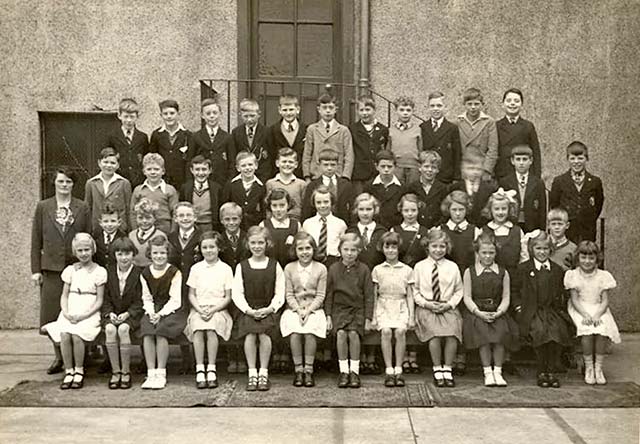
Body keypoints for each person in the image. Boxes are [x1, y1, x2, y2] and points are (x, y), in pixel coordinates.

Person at [31, 166, 90, 374]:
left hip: (76, 267)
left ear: (73, 185)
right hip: (51, 269)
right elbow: (36, 239)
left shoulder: (82, 207)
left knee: (78, 310)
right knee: (52, 314)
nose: (64, 185)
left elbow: (87, 236)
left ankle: (82, 356)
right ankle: (59, 356)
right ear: (54, 183)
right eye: (61, 182)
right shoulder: (43, 207)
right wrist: (36, 269)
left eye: (68, 182)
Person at [42, 233, 106, 389]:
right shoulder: (70, 270)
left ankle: (79, 371)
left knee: (77, 335)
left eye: (87, 249)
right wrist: (65, 312)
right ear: (75, 252)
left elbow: (99, 301)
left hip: (89, 312)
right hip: (71, 309)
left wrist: (84, 315)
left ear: (93, 250)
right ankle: (68, 371)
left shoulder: (99, 271)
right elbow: (64, 296)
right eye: (80, 250)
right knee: (65, 334)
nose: (84, 253)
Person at [513, 231, 571, 388]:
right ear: (532, 249)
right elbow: (514, 290)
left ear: (550, 250)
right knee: (539, 331)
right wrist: (518, 306)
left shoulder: (557, 270)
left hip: (551, 310)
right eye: (538, 248)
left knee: (557, 330)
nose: (542, 252)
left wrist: (561, 310)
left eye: (545, 249)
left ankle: (550, 370)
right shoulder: (524, 268)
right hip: (531, 310)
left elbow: (561, 293)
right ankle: (541, 371)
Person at [232, 226, 286, 392]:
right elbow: (237, 293)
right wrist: (248, 310)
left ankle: (263, 371)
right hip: (248, 309)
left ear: (267, 243)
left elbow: (280, 292)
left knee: (263, 333)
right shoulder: (242, 266)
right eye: (253, 243)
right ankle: (252, 372)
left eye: (260, 243)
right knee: (250, 333)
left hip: (267, 308)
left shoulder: (274, 265)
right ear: (248, 244)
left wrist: (270, 309)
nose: (257, 246)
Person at [463, 233, 519, 387]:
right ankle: (487, 372)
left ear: (496, 253)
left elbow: (506, 297)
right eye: (484, 253)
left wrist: (500, 311)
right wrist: (478, 312)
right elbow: (467, 296)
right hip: (477, 312)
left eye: (491, 253)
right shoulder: (470, 272)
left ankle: (498, 372)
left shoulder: (503, 272)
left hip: (497, 311)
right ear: (477, 253)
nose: (487, 256)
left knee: (500, 335)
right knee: (484, 337)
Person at [565, 241, 621, 385]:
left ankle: (598, 368)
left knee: (602, 328)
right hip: (580, 308)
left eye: (591, 258)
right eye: (583, 257)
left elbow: (605, 301)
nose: (587, 261)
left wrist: (597, 315)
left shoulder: (603, 276)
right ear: (578, 258)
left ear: (597, 259)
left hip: (598, 307)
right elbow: (574, 299)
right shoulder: (573, 275)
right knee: (587, 329)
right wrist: (585, 314)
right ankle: (589, 366)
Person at [413, 228, 464, 388]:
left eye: (442, 247)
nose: (438, 250)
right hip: (427, 307)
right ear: (427, 247)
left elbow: (459, 290)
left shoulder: (452, 267)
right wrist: (427, 304)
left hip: (447, 306)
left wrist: (449, 304)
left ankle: (447, 368)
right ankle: (437, 368)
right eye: (434, 246)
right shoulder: (420, 267)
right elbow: (415, 291)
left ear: (447, 248)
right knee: (434, 334)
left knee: (452, 333)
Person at [325, 233, 375, 388]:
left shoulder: (364, 269)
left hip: (357, 309)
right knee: (340, 333)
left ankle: (354, 371)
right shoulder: (333, 269)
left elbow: (369, 295)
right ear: (340, 250)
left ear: (359, 251)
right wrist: (328, 316)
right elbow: (329, 294)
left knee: (353, 334)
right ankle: (343, 371)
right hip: (339, 309)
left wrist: (368, 318)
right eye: (346, 249)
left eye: (353, 250)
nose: (349, 253)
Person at [280, 232, 328, 387]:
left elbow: (320, 295)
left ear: (314, 249)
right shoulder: (289, 268)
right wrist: (298, 309)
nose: (304, 252)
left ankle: (308, 370)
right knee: (294, 332)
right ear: (295, 250)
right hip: (294, 308)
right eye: (300, 249)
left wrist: (308, 311)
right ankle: (298, 370)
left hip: (314, 309)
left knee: (309, 332)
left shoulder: (321, 269)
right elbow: (289, 294)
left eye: (308, 248)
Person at [187, 231, 233, 389]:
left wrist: (213, 309)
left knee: (211, 329)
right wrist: (199, 309)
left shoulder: (226, 269)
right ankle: (200, 369)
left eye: (212, 247)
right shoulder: (196, 268)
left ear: (219, 248)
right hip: (199, 308)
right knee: (199, 329)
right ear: (200, 249)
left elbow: (228, 297)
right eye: (204, 247)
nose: (208, 250)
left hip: (218, 309)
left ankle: (211, 368)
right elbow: (191, 294)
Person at [139, 235, 187, 390]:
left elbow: (175, 300)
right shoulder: (145, 272)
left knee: (160, 331)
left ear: (168, 254)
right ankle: (151, 372)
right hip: (154, 308)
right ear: (150, 254)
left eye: (162, 253)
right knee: (147, 330)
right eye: (155, 253)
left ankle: (161, 372)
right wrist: (151, 312)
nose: (159, 256)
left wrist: (161, 314)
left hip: (172, 310)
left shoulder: (174, 272)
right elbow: (146, 298)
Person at [371, 231, 414, 387]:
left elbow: (409, 295)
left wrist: (411, 317)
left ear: (398, 249)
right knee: (387, 331)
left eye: (394, 247)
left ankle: (399, 369)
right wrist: (374, 316)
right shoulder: (377, 269)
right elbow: (375, 294)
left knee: (400, 332)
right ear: (382, 249)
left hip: (401, 305)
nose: (390, 250)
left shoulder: (407, 270)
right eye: (387, 247)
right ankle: (389, 370)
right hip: (383, 305)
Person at [102, 236, 143, 390]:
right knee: (111, 329)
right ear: (114, 255)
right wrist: (109, 313)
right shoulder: (108, 272)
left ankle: (126, 372)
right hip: (112, 314)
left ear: (133, 254)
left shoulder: (139, 273)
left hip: (131, 315)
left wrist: (128, 314)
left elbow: (140, 300)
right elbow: (105, 298)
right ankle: (115, 371)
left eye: (127, 254)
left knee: (124, 329)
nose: (124, 258)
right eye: (120, 254)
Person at [217, 202, 250, 374]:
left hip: (244, 284)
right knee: (228, 316)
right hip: (223, 285)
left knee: (241, 317)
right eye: (227, 219)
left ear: (241, 219)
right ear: (221, 220)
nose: (231, 223)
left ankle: (242, 357)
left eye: (235, 219)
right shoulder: (218, 240)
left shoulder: (247, 238)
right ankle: (231, 356)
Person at [549, 141, 604, 243]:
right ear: (567, 159)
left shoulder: (595, 181)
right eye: (572, 158)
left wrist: (588, 218)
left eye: (580, 158)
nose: (576, 162)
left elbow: (598, 206)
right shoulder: (559, 181)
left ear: (586, 159)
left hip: (587, 230)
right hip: (567, 230)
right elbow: (554, 204)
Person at [302, 93, 354, 181]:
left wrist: (345, 176)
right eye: (324, 108)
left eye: (331, 108)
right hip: (317, 175)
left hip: (337, 175)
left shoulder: (343, 130)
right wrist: (307, 176)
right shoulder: (312, 129)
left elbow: (349, 155)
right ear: (319, 109)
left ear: (336, 109)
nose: (328, 111)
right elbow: (307, 154)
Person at [495, 88, 541, 181]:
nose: (512, 103)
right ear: (503, 104)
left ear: (521, 105)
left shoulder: (528, 126)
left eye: (516, 101)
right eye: (508, 100)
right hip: (502, 174)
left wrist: (536, 177)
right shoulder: (496, 126)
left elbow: (536, 153)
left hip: (523, 174)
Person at [499, 145, 546, 232]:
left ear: (531, 161)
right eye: (518, 159)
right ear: (512, 161)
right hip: (511, 224)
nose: (521, 163)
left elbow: (542, 210)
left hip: (532, 225)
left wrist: (541, 230)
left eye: (524, 159)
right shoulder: (505, 182)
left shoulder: (538, 182)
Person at [84, 147, 132, 232]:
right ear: (99, 163)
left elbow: (128, 209)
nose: (109, 165)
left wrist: (128, 230)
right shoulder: (91, 183)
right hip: (97, 229)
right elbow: (88, 208)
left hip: (119, 229)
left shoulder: (124, 183)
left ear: (117, 165)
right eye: (105, 162)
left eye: (113, 163)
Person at [104, 98, 149, 187]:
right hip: (118, 179)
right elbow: (107, 157)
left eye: (132, 117)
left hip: (138, 181)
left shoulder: (142, 137)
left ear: (137, 117)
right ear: (119, 116)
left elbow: (146, 158)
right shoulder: (112, 136)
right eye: (126, 116)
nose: (129, 120)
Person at [130, 153, 179, 234]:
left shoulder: (169, 190)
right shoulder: (138, 190)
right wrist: (135, 231)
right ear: (144, 171)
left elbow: (175, 213)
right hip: (143, 227)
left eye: (156, 169)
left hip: (164, 228)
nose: (153, 172)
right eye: (149, 169)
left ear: (163, 171)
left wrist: (173, 232)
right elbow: (133, 213)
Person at [148, 99, 193, 189]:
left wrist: (188, 182)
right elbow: (153, 158)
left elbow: (190, 160)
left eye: (172, 113)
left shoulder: (188, 135)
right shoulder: (156, 134)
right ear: (161, 115)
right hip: (162, 181)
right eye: (165, 114)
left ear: (178, 114)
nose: (169, 116)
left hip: (182, 181)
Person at [456, 88, 498, 182]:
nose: (473, 107)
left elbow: (493, 149)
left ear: (482, 104)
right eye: (469, 104)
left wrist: (487, 170)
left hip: (482, 169)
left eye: (476, 104)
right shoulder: (458, 122)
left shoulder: (489, 122)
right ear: (464, 105)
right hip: (464, 169)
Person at [349, 95, 389, 194]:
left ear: (374, 110)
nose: (365, 113)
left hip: (376, 173)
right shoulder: (352, 129)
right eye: (361, 110)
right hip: (359, 174)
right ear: (357, 111)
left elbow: (385, 149)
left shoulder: (383, 129)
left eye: (368, 109)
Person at [301, 185, 348, 270]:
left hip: (334, 263)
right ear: (314, 204)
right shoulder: (307, 224)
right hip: (313, 263)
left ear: (332, 202)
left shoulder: (340, 224)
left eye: (326, 202)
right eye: (318, 202)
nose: (322, 205)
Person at [419, 91, 462, 184]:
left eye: (439, 106)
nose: (436, 109)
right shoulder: (423, 127)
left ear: (445, 107)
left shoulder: (452, 128)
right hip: (427, 175)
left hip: (445, 176)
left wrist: (456, 177)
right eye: (432, 106)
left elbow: (457, 154)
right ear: (428, 108)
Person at [302, 149, 354, 222]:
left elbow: (352, 209)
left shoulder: (346, 185)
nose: (329, 168)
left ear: (337, 165)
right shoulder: (312, 186)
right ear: (319, 165)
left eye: (333, 165)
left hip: (343, 224)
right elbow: (307, 210)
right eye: (325, 165)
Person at [192, 98, 235, 186]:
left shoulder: (227, 137)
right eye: (208, 113)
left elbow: (232, 162)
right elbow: (190, 160)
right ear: (202, 115)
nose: (212, 116)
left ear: (220, 114)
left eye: (215, 113)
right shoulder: (196, 136)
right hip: (201, 181)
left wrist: (229, 182)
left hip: (221, 182)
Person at [404, 150, 449, 229]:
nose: (430, 170)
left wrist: (437, 226)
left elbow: (445, 212)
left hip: (436, 229)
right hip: (416, 228)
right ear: (420, 167)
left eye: (434, 167)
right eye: (426, 166)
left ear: (438, 170)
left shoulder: (443, 188)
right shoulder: (411, 188)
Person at [231, 98, 272, 182]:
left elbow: (271, 155)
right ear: (240, 115)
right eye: (246, 116)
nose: (249, 119)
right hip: (243, 175)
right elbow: (234, 156)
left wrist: (266, 176)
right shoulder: (236, 132)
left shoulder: (267, 132)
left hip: (262, 175)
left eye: (252, 116)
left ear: (259, 114)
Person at [266, 95, 308, 179]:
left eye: (291, 109)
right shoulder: (273, 130)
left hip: (300, 175)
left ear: (298, 110)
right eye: (285, 110)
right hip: (280, 175)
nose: (288, 113)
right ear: (279, 110)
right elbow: (271, 155)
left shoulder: (306, 129)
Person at [222, 151, 266, 229]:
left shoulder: (261, 186)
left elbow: (263, 210)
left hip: (253, 225)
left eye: (250, 164)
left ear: (256, 166)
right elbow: (225, 205)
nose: (247, 168)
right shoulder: (231, 185)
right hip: (235, 225)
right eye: (243, 166)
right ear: (238, 168)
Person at [179, 155, 222, 233]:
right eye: (197, 170)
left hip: (210, 225)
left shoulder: (217, 188)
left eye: (204, 169)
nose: (201, 173)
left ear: (210, 170)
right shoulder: (186, 188)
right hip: (191, 225)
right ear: (192, 170)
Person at [364, 149, 404, 228]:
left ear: (395, 167)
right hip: (375, 227)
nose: (386, 170)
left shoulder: (402, 187)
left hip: (395, 227)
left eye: (389, 166)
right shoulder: (369, 186)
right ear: (376, 166)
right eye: (383, 166)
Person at [260, 188, 300, 268]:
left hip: (290, 268)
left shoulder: (296, 225)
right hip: (270, 268)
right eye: (274, 206)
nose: (278, 209)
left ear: (288, 205)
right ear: (270, 206)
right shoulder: (264, 225)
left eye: (282, 205)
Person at [387, 96, 422, 185]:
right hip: (397, 167)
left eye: (408, 110)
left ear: (413, 111)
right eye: (402, 110)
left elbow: (421, 149)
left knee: (412, 192)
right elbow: (388, 150)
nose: (405, 113)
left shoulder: (418, 130)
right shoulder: (391, 130)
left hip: (414, 168)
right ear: (396, 111)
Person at [265, 147, 307, 222]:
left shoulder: (301, 184)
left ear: (296, 164)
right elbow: (267, 207)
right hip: (275, 222)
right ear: (277, 163)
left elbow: (305, 208)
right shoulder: (270, 183)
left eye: (290, 162)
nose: (287, 164)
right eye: (284, 161)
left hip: (295, 221)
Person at [128, 198, 167, 268]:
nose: (144, 221)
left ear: (155, 218)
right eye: (140, 218)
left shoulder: (160, 235)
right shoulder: (131, 235)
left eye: (148, 218)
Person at [92, 203, 127, 269]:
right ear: (100, 222)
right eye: (106, 221)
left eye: (113, 221)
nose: (109, 225)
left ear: (119, 222)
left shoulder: (123, 238)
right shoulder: (95, 236)